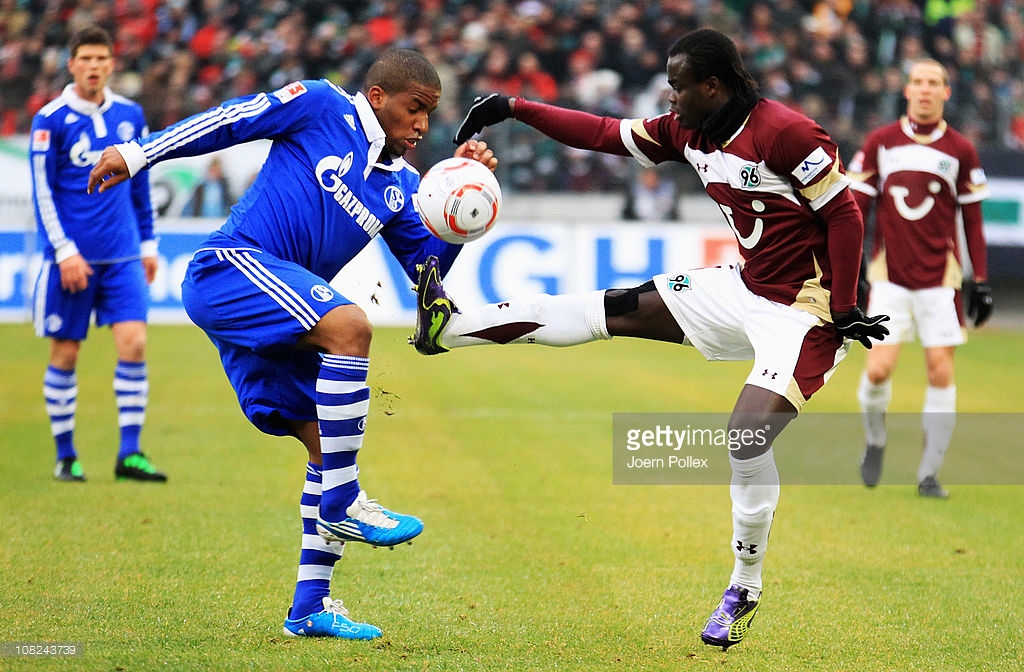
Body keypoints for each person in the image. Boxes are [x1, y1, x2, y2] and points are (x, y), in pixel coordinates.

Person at [413, 28, 890, 651]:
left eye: (678, 85)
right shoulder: (686, 130)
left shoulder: (788, 133)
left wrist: (848, 304)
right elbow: (604, 134)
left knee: (745, 439)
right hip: (743, 288)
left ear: (712, 87)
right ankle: (450, 328)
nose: (670, 96)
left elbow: (844, 212)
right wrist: (514, 109)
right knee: (604, 309)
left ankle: (744, 587)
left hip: (806, 311)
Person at [87, 48, 496, 640]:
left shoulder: (403, 188)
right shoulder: (324, 106)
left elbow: (426, 268)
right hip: (230, 267)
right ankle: (347, 500)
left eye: (431, 114)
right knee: (352, 326)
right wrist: (138, 152)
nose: (423, 126)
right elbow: (231, 119)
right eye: (417, 109)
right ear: (379, 98)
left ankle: (309, 607)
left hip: (278, 312)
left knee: (324, 445)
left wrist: (458, 210)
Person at [847, 58, 992, 499]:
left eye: (934, 84)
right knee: (878, 370)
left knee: (940, 371)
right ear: (906, 90)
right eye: (918, 83)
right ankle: (875, 442)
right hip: (889, 277)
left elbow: (973, 222)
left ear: (946, 93)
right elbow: (855, 210)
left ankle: (929, 474)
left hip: (940, 281)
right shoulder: (880, 142)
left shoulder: (961, 151)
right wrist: (852, 272)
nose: (925, 90)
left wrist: (980, 279)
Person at [29, 26, 167, 484]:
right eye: (84, 58)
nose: (93, 66)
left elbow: (141, 184)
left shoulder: (131, 115)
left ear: (112, 64)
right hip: (72, 260)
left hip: (124, 256)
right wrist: (64, 251)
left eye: (100, 59)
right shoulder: (50, 119)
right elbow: (43, 194)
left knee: (135, 344)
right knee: (66, 353)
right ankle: (66, 455)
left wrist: (148, 243)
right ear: (71, 64)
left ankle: (130, 453)